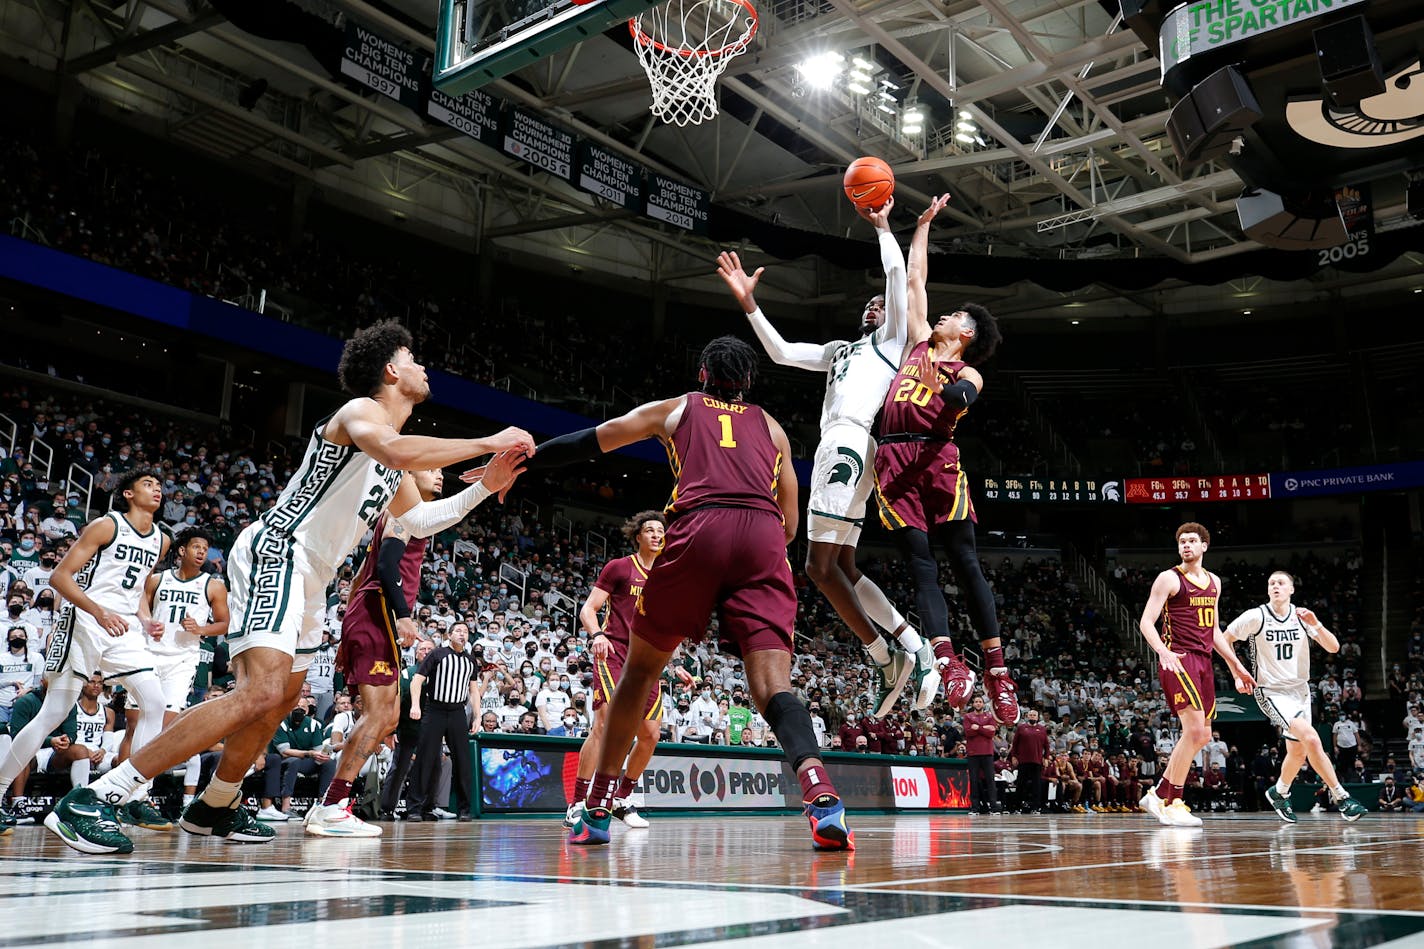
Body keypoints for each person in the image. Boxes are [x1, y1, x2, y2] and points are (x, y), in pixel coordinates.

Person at [52, 320, 534, 854]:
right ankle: (98, 797)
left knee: (279, 699)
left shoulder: (393, 462)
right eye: (414, 358)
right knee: (259, 691)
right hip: (280, 550)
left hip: (314, 575)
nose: (424, 368)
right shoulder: (361, 413)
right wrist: (489, 441)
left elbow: (419, 523)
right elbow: (397, 452)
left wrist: (487, 486)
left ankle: (215, 803)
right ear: (392, 370)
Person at [512, 336, 852, 850]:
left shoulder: (676, 409)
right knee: (773, 688)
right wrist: (750, 546)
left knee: (640, 673)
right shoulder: (773, 428)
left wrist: (525, 461)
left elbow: (592, 439)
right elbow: (791, 521)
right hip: (763, 534)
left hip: (700, 524)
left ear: (702, 374)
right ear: (748, 384)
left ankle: (598, 808)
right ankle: (822, 795)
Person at [715, 199, 933, 717]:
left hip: (849, 442)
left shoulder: (889, 342)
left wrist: (883, 227)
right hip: (847, 448)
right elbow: (783, 353)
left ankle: (889, 655)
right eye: (870, 306)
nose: (873, 308)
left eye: (880, 305)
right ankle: (911, 647)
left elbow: (898, 273)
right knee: (842, 565)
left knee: (816, 566)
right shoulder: (841, 350)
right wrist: (750, 305)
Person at [305, 461, 519, 838]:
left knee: (386, 719)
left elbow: (361, 575)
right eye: (431, 469)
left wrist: (354, 618)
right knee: (378, 717)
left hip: (370, 614)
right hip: (379, 614)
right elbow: (387, 567)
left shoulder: (407, 515)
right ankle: (333, 805)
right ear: (407, 478)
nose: (439, 475)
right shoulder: (403, 511)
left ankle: (331, 802)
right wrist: (401, 615)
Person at [870, 198, 1018, 726]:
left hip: (936, 459)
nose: (942, 315)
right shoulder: (915, 343)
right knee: (919, 566)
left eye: (953, 315)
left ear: (967, 334)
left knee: (965, 561)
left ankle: (997, 669)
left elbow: (964, 398)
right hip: (891, 458)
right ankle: (948, 661)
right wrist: (921, 227)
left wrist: (951, 388)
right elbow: (915, 279)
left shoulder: (965, 371)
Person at [0, 470, 172, 843]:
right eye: (147, 484)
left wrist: (146, 619)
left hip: (122, 627)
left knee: (155, 702)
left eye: (159, 486)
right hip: (84, 619)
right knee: (54, 713)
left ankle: (134, 796)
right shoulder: (105, 525)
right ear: (127, 493)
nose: (156, 489)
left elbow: (140, 586)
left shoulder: (162, 540)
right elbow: (60, 577)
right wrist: (99, 612)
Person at [566, 510, 690, 831]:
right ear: (638, 536)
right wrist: (597, 635)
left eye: (660, 531)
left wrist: (674, 664)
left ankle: (621, 799)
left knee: (650, 735)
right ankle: (578, 802)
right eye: (649, 530)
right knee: (605, 726)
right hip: (614, 653)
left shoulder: (669, 576)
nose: (656, 535)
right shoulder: (620, 568)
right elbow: (588, 609)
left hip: (648, 661)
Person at [1137, 523, 1256, 827]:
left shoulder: (1214, 582)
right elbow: (1146, 623)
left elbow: (1214, 631)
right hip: (1179, 658)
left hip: (1203, 660)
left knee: (1203, 735)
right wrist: (1162, 652)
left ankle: (1160, 794)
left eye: (1192, 541)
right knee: (1192, 731)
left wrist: (1236, 666)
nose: (1186, 545)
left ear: (1204, 546)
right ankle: (1173, 800)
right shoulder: (1169, 578)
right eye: (1182, 542)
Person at [1224, 571, 1366, 822]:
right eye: (1271, 583)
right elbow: (1224, 639)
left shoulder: (1301, 617)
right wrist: (1237, 672)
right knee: (1311, 738)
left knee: (1298, 752)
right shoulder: (1256, 616)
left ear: (1291, 589)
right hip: (1271, 691)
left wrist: (1317, 623)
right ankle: (1342, 797)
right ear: (1268, 590)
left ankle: (1279, 792)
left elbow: (1333, 647)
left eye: (1281, 583)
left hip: (1301, 692)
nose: (1275, 586)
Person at [133, 526, 229, 810]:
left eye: (205, 548)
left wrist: (201, 628)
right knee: (134, 722)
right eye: (196, 547)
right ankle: (132, 791)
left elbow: (224, 623)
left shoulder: (213, 584)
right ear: (182, 550)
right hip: (149, 653)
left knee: (163, 723)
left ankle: (140, 790)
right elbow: (140, 606)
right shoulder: (158, 580)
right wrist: (148, 621)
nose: (202, 552)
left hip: (183, 658)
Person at [406, 622, 478, 821]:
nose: (462, 634)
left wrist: (478, 716)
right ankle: (415, 808)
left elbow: (473, 691)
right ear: (449, 634)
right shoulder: (437, 654)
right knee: (425, 758)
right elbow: (417, 680)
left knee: (463, 761)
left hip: (457, 711)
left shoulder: (471, 660)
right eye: (458, 631)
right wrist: (415, 705)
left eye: (465, 631)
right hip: (435, 709)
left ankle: (464, 809)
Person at [963, 694, 998, 814]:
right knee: (973, 780)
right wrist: (985, 728)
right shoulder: (967, 716)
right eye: (976, 701)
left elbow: (991, 734)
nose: (978, 703)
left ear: (983, 704)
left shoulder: (990, 716)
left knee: (990, 780)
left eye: (980, 701)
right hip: (973, 753)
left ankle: (994, 807)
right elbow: (968, 733)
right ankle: (975, 807)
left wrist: (978, 728)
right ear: (973, 704)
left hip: (987, 752)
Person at [1009, 707, 1049, 813]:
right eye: (1030, 715)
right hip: (1023, 761)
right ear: (1027, 717)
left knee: (1037, 785)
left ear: (1037, 717)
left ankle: (1035, 807)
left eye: (1034, 715)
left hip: (1037, 761)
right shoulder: (1021, 728)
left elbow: (1047, 745)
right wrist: (1013, 756)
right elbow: (1015, 744)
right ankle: (1017, 807)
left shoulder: (1042, 729)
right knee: (1021, 784)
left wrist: (1046, 758)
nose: (1032, 717)